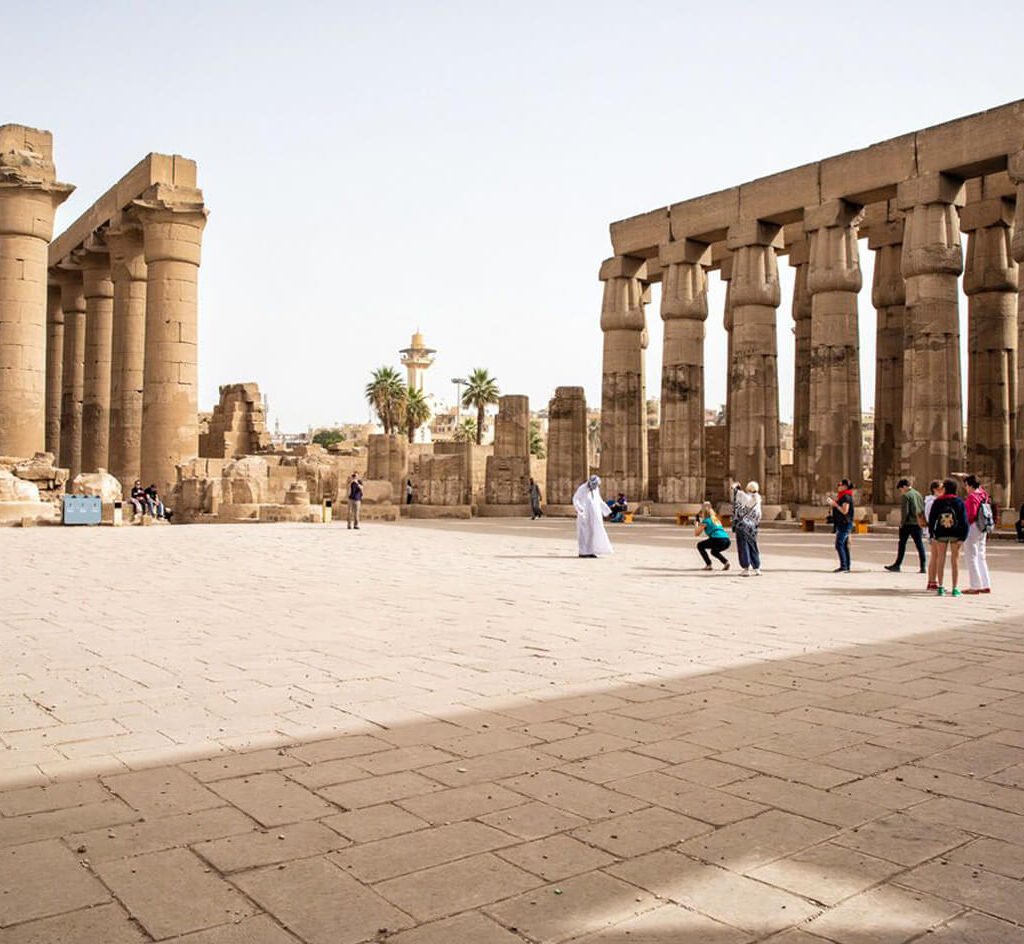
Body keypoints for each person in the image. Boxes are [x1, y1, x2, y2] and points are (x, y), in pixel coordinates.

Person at [928, 478, 969, 597]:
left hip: (941, 533)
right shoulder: (959, 502)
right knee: (955, 560)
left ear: (945, 488)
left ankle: (940, 587)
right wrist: (964, 535)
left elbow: (932, 519)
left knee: (941, 558)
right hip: (956, 533)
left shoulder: (938, 501)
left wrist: (932, 533)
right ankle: (955, 588)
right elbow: (964, 520)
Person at [885, 479, 927, 574]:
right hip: (918, 522)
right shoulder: (918, 494)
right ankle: (923, 566)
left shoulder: (906, 496)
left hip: (908, 523)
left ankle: (897, 565)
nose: (901, 491)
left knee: (902, 544)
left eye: (901, 489)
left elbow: (905, 512)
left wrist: (902, 523)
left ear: (904, 487)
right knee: (919, 545)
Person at [963, 474, 992, 594]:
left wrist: (964, 525)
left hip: (973, 526)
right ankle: (986, 583)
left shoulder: (972, 497)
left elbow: (971, 514)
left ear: (969, 485)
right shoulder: (984, 494)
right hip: (982, 525)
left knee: (971, 556)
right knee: (981, 555)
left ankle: (975, 585)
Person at [572, 475, 613, 558]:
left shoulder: (595, 490)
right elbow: (576, 499)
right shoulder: (582, 489)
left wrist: (607, 511)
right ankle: (583, 552)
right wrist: (580, 509)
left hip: (594, 516)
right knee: (584, 534)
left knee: (593, 533)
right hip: (585, 515)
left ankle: (591, 551)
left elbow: (599, 501)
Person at [731, 479, 762, 576]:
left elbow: (735, 492)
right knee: (753, 546)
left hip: (742, 526)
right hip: (753, 526)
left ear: (748, 488)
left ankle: (746, 568)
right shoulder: (758, 498)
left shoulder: (743, 496)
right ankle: (757, 568)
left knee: (743, 546)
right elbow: (759, 514)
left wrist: (736, 486)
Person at [825, 479, 856, 573]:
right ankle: (846, 566)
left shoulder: (846, 497)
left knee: (839, 544)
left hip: (845, 523)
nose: (838, 486)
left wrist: (834, 504)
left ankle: (844, 566)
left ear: (845, 486)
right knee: (844, 545)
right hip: (841, 523)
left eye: (840, 485)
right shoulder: (842, 496)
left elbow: (844, 511)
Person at [694, 501, 730, 571]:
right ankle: (726, 562)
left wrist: (696, 524)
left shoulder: (706, 521)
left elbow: (696, 533)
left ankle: (708, 565)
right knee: (714, 551)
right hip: (726, 540)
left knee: (700, 545)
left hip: (717, 539)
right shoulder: (716, 520)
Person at [924, 480, 942, 590]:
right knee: (936, 557)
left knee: (936, 556)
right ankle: (932, 580)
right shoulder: (931, 502)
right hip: (934, 531)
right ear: (935, 490)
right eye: (940, 489)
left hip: (934, 531)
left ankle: (932, 580)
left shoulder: (935, 501)